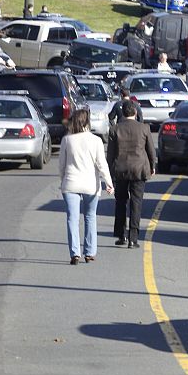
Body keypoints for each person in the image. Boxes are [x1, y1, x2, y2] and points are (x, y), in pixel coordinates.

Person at [59, 110, 114, 265]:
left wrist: (63, 180)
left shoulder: (67, 140)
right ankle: (89, 252)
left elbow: (61, 165)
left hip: (71, 183)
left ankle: (75, 253)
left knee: (72, 218)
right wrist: (109, 182)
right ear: (87, 122)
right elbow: (102, 165)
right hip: (91, 184)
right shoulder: (96, 141)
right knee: (90, 217)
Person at [107, 100, 156, 249]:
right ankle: (133, 238)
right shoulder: (144, 128)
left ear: (122, 113)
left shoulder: (115, 129)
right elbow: (151, 151)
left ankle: (121, 235)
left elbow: (110, 154)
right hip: (139, 169)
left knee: (121, 202)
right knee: (136, 203)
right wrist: (152, 166)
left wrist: (109, 172)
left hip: (120, 170)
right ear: (135, 112)